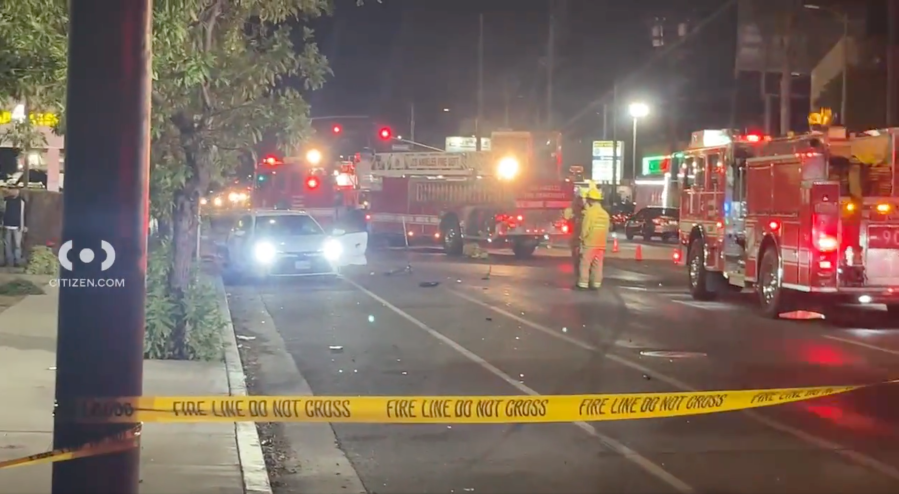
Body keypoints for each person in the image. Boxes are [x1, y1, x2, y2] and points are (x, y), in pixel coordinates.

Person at [577, 187, 610, 290]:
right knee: (598, 264)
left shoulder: (590, 213)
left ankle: (583, 283)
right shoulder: (605, 214)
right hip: (601, 244)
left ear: (590, 200)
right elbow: (607, 229)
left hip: (590, 243)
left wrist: (581, 238)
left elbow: (585, 229)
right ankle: (596, 283)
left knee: (585, 264)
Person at [563, 188, 587, 274]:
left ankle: (578, 272)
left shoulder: (573, 208)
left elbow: (567, 218)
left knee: (576, 256)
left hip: (576, 236)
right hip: (580, 236)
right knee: (581, 257)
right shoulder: (585, 209)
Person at [2, 185, 26, 267]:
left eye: (15, 190)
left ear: (18, 191)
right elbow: (3, 212)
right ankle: (9, 261)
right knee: (7, 244)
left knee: (17, 244)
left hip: (17, 226)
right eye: (12, 190)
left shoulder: (21, 201)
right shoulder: (6, 200)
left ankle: (17, 261)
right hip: (7, 225)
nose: (13, 191)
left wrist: (23, 225)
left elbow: (23, 214)